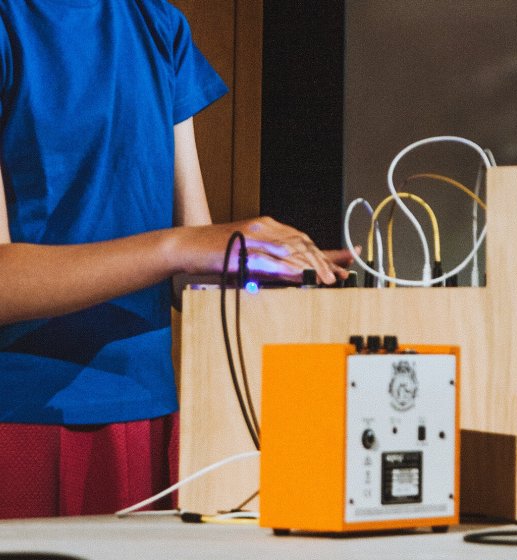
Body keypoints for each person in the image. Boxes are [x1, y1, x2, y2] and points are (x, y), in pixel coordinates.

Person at [0, 0, 352, 519]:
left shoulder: (156, 20)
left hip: (153, 413)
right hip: (25, 420)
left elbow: (192, 271)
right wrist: (183, 248)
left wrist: (266, 268)